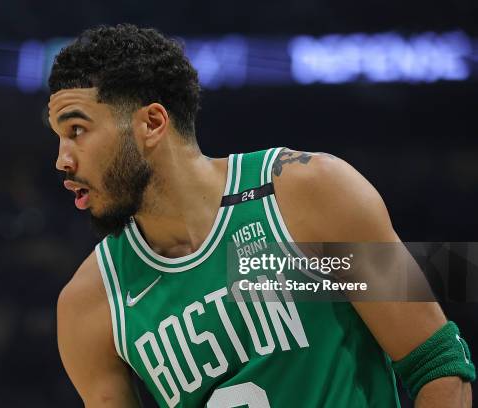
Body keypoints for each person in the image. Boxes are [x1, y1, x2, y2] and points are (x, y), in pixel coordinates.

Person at [49, 24, 475, 407]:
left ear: (152, 123)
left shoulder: (307, 194)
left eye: (77, 131)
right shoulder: (90, 304)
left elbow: (436, 364)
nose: (62, 160)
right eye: (59, 137)